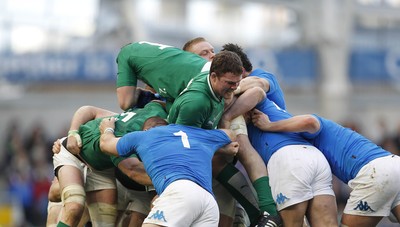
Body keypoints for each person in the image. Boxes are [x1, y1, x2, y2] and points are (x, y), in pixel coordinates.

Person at [251, 110, 400, 226]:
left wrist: (269, 125)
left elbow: (310, 121)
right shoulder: (330, 140)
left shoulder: (317, 129)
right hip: (394, 164)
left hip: (375, 173)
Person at [98, 116, 239, 227]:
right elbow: (231, 134)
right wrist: (218, 147)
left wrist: (108, 129)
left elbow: (105, 144)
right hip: (209, 202)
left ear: (146, 129)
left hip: (180, 192)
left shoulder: (144, 136)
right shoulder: (196, 134)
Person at [52, 101, 167, 227]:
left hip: (101, 169)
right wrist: (73, 132)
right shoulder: (126, 136)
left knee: (105, 223)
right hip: (75, 154)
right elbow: (132, 170)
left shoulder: (156, 113)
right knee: (74, 206)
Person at [238, 96, 339, 226]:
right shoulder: (274, 104)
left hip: (288, 159)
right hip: (315, 156)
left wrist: (230, 114)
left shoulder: (252, 93)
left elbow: (256, 89)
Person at [115, 41, 211, 111]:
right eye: (205, 52)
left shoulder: (126, 53)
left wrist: (140, 95)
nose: (212, 55)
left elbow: (125, 103)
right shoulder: (165, 58)